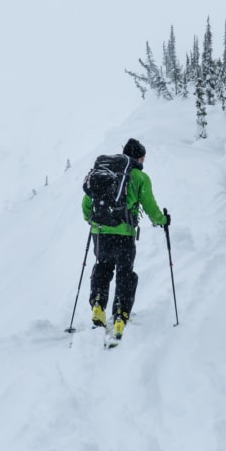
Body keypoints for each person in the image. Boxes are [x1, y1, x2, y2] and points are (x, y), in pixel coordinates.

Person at [82, 137, 168, 340]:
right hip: (124, 234)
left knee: (102, 266)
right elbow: (149, 206)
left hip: (100, 232)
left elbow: (87, 202)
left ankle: (97, 305)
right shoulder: (139, 177)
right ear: (138, 157)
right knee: (125, 273)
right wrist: (162, 220)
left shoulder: (103, 174)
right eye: (143, 158)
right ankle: (121, 313)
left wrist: (91, 220)